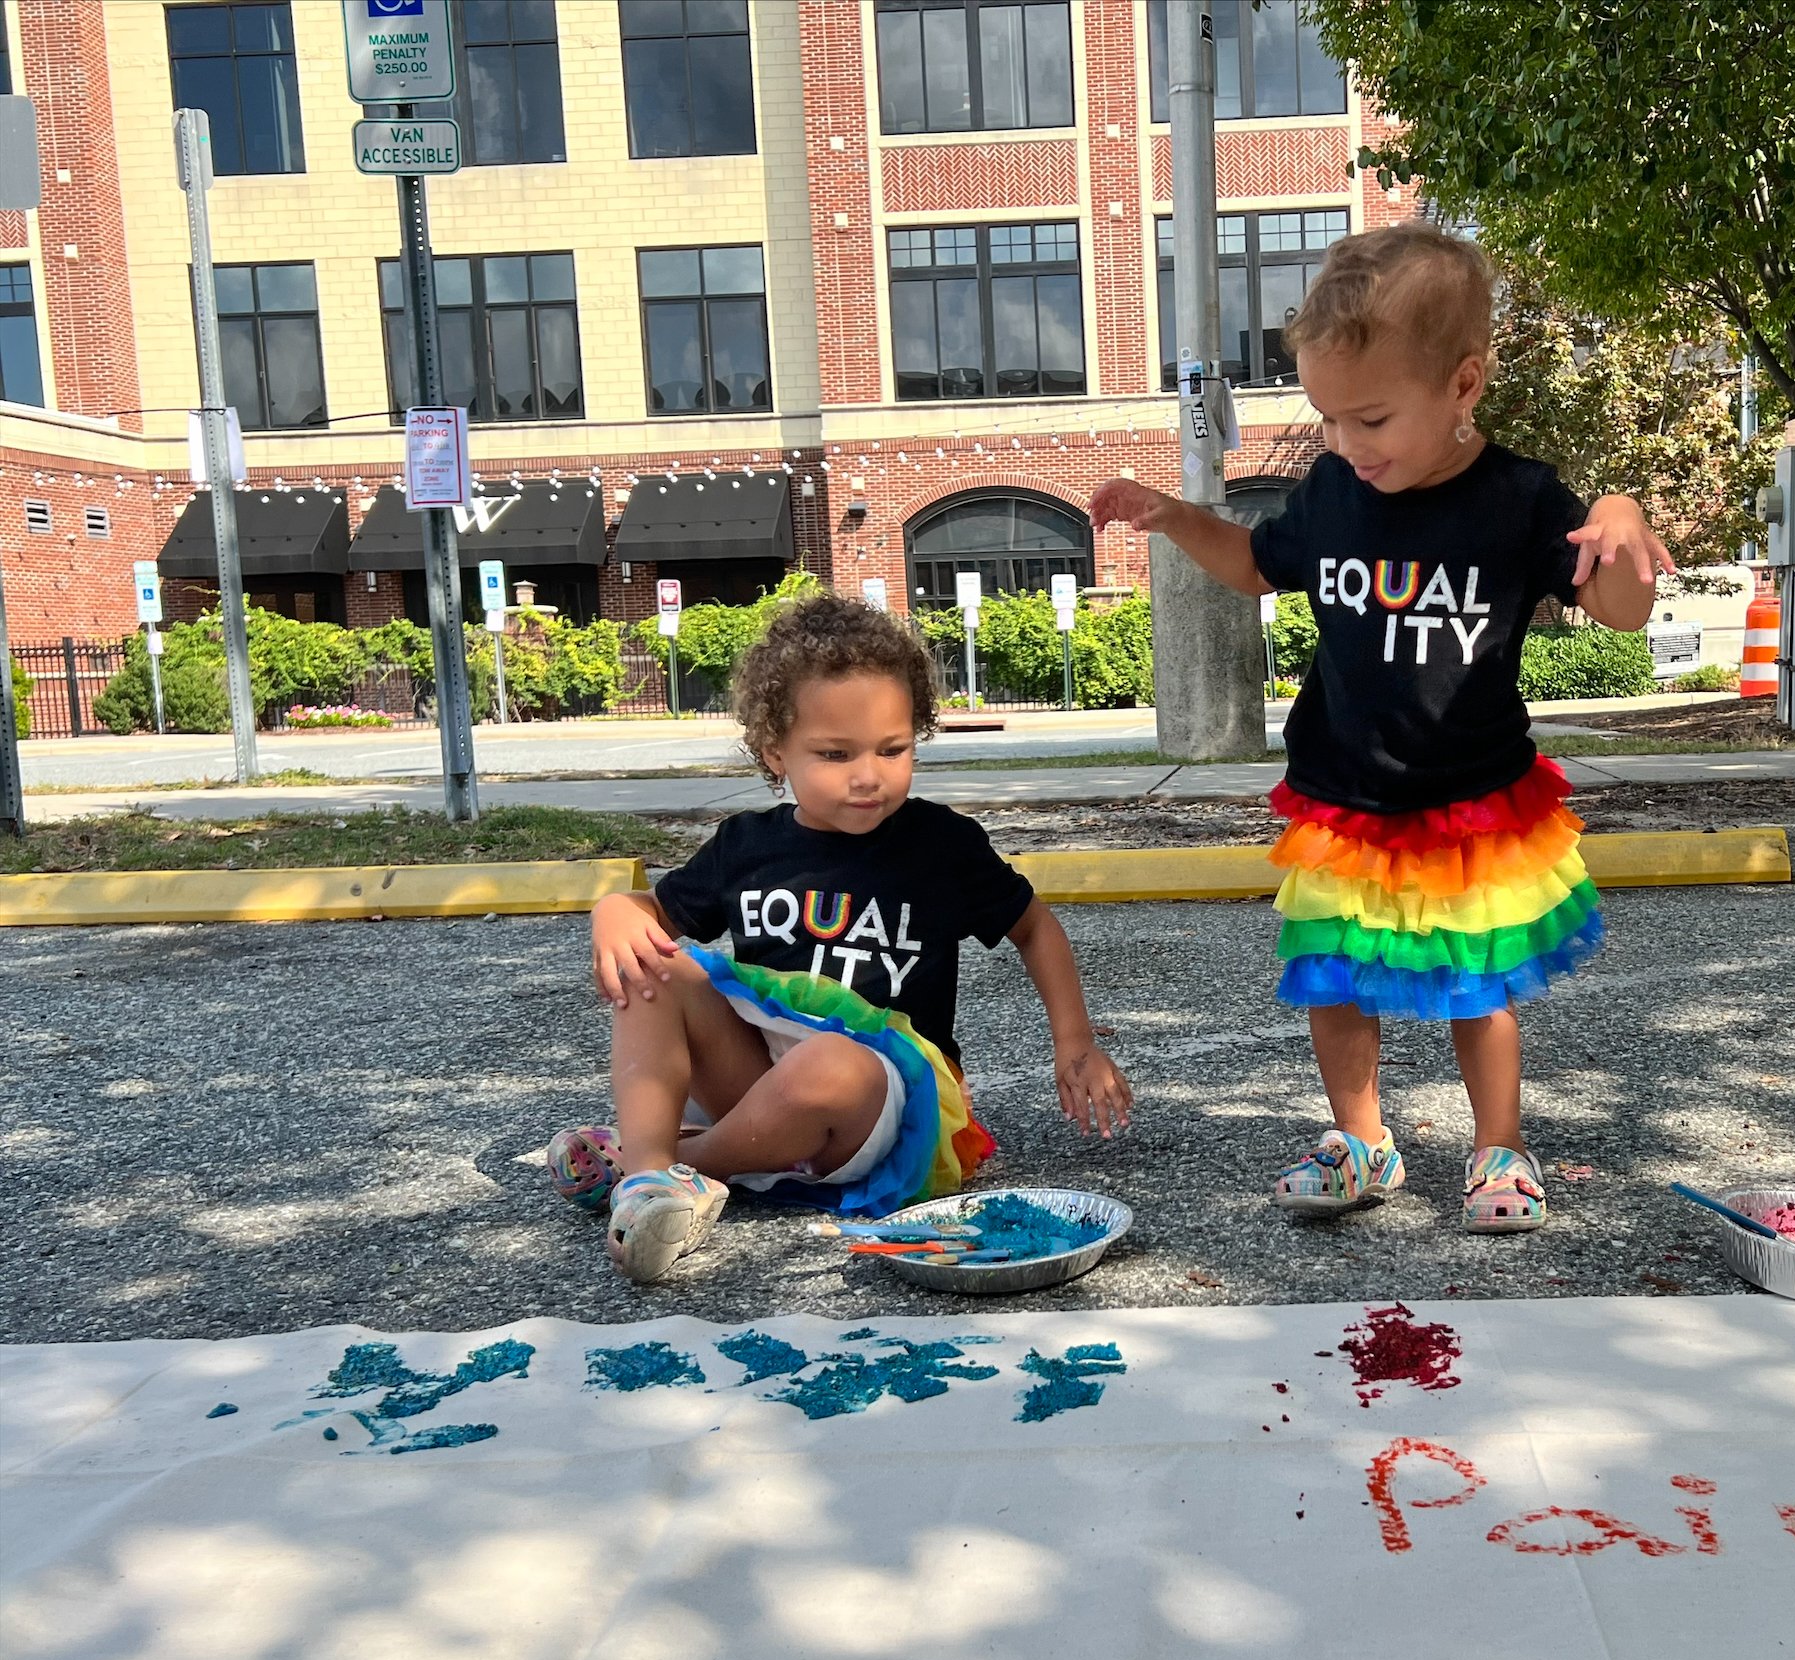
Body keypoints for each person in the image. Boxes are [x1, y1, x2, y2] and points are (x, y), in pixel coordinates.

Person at [1088, 221, 1668, 1233]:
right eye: (1327, 422)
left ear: (1462, 385)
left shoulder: (1518, 500)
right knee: (1333, 979)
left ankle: (1497, 1148)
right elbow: (1258, 564)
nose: (1347, 447)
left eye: (1370, 420)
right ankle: (1362, 1141)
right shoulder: (1330, 494)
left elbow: (1619, 609)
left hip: (1468, 797)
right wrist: (1179, 519)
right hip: (1344, 791)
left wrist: (1615, 513)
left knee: (1473, 984)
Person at [548, 597, 1132, 1282]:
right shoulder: (748, 846)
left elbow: (1033, 926)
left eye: (894, 749)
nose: (868, 775)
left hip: (882, 1096)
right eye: (834, 754)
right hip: (763, 1078)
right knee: (655, 963)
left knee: (829, 1062)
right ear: (776, 753)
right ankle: (648, 1179)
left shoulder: (940, 845)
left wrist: (1076, 1044)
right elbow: (657, 916)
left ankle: (683, 1166)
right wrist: (617, 910)